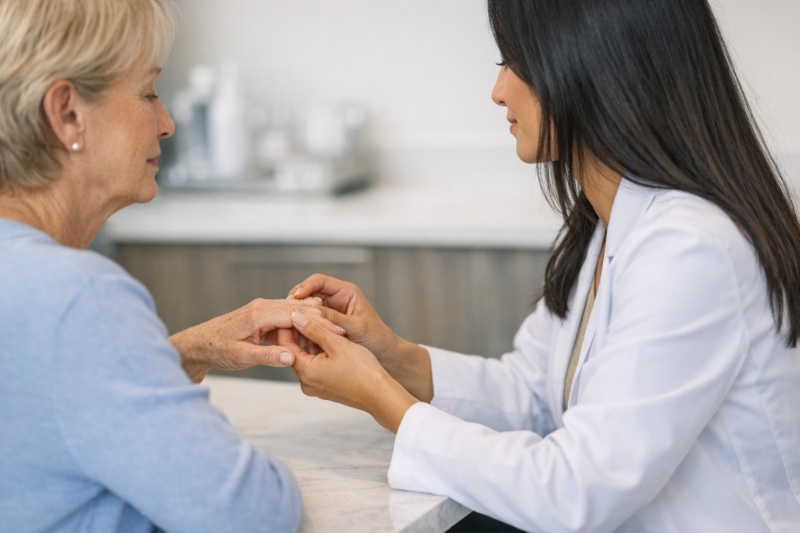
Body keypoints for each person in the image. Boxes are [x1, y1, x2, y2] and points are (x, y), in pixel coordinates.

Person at [280, 0, 800, 531]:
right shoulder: (609, 225)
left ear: (594, 65)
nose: (499, 90)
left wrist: (379, 396)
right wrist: (391, 357)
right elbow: (534, 395)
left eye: (514, 62)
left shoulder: (691, 249)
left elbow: (576, 490)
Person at [0, 1, 342, 531]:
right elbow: (252, 514)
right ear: (67, 113)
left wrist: (175, 353)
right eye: (148, 93)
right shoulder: (76, 299)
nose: (166, 124)